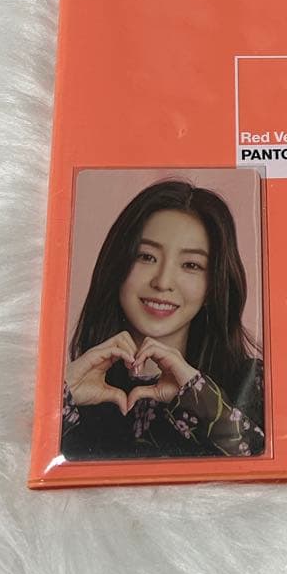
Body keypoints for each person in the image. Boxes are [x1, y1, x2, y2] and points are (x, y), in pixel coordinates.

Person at [61, 179, 264, 460]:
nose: (163, 282)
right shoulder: (75, 390)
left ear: (213, 286)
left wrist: (201, 398)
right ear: (117, 266)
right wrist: (59, 395)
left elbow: (271, 472)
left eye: (191, 265)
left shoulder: (250, 383)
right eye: (146, 257)